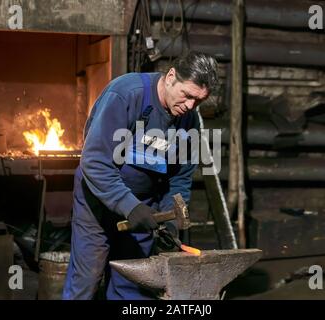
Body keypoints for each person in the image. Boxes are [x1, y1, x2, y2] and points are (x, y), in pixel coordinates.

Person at [62, 51, 219, 300]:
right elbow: (95, 161)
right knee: (87, 279)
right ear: (170, 77)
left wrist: (168, 222)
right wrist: (128, 205)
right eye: (187, 95)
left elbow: (180, 176)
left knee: (132, 285)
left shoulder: (188, 121)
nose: (190, 106)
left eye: (198, 101)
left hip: (145, 206)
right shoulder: (126, 93)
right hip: (97, 199)